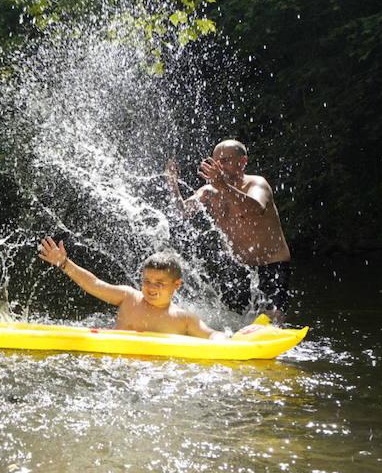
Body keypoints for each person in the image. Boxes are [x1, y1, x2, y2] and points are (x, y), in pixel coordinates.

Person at [166, 139, 292, 318]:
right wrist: (172, 184)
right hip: (237, 266)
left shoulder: (257, 184)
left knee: (272, 318)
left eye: (225, 161)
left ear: (242, 162)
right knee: (232, 319)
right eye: (217, 161)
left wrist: (223, 187)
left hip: (270, 264)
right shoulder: (209, 191)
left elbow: (256, 208)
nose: (219, 166)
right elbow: (182, 213)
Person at [37, 237, 224, 338]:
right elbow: (94, 284)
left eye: (159, 283)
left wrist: (226, 339)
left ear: (177, 285)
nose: (151, 288)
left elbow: (212, 335)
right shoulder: (129, 297)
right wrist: (64, 263)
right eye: (147, 281)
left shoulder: (183, 319)